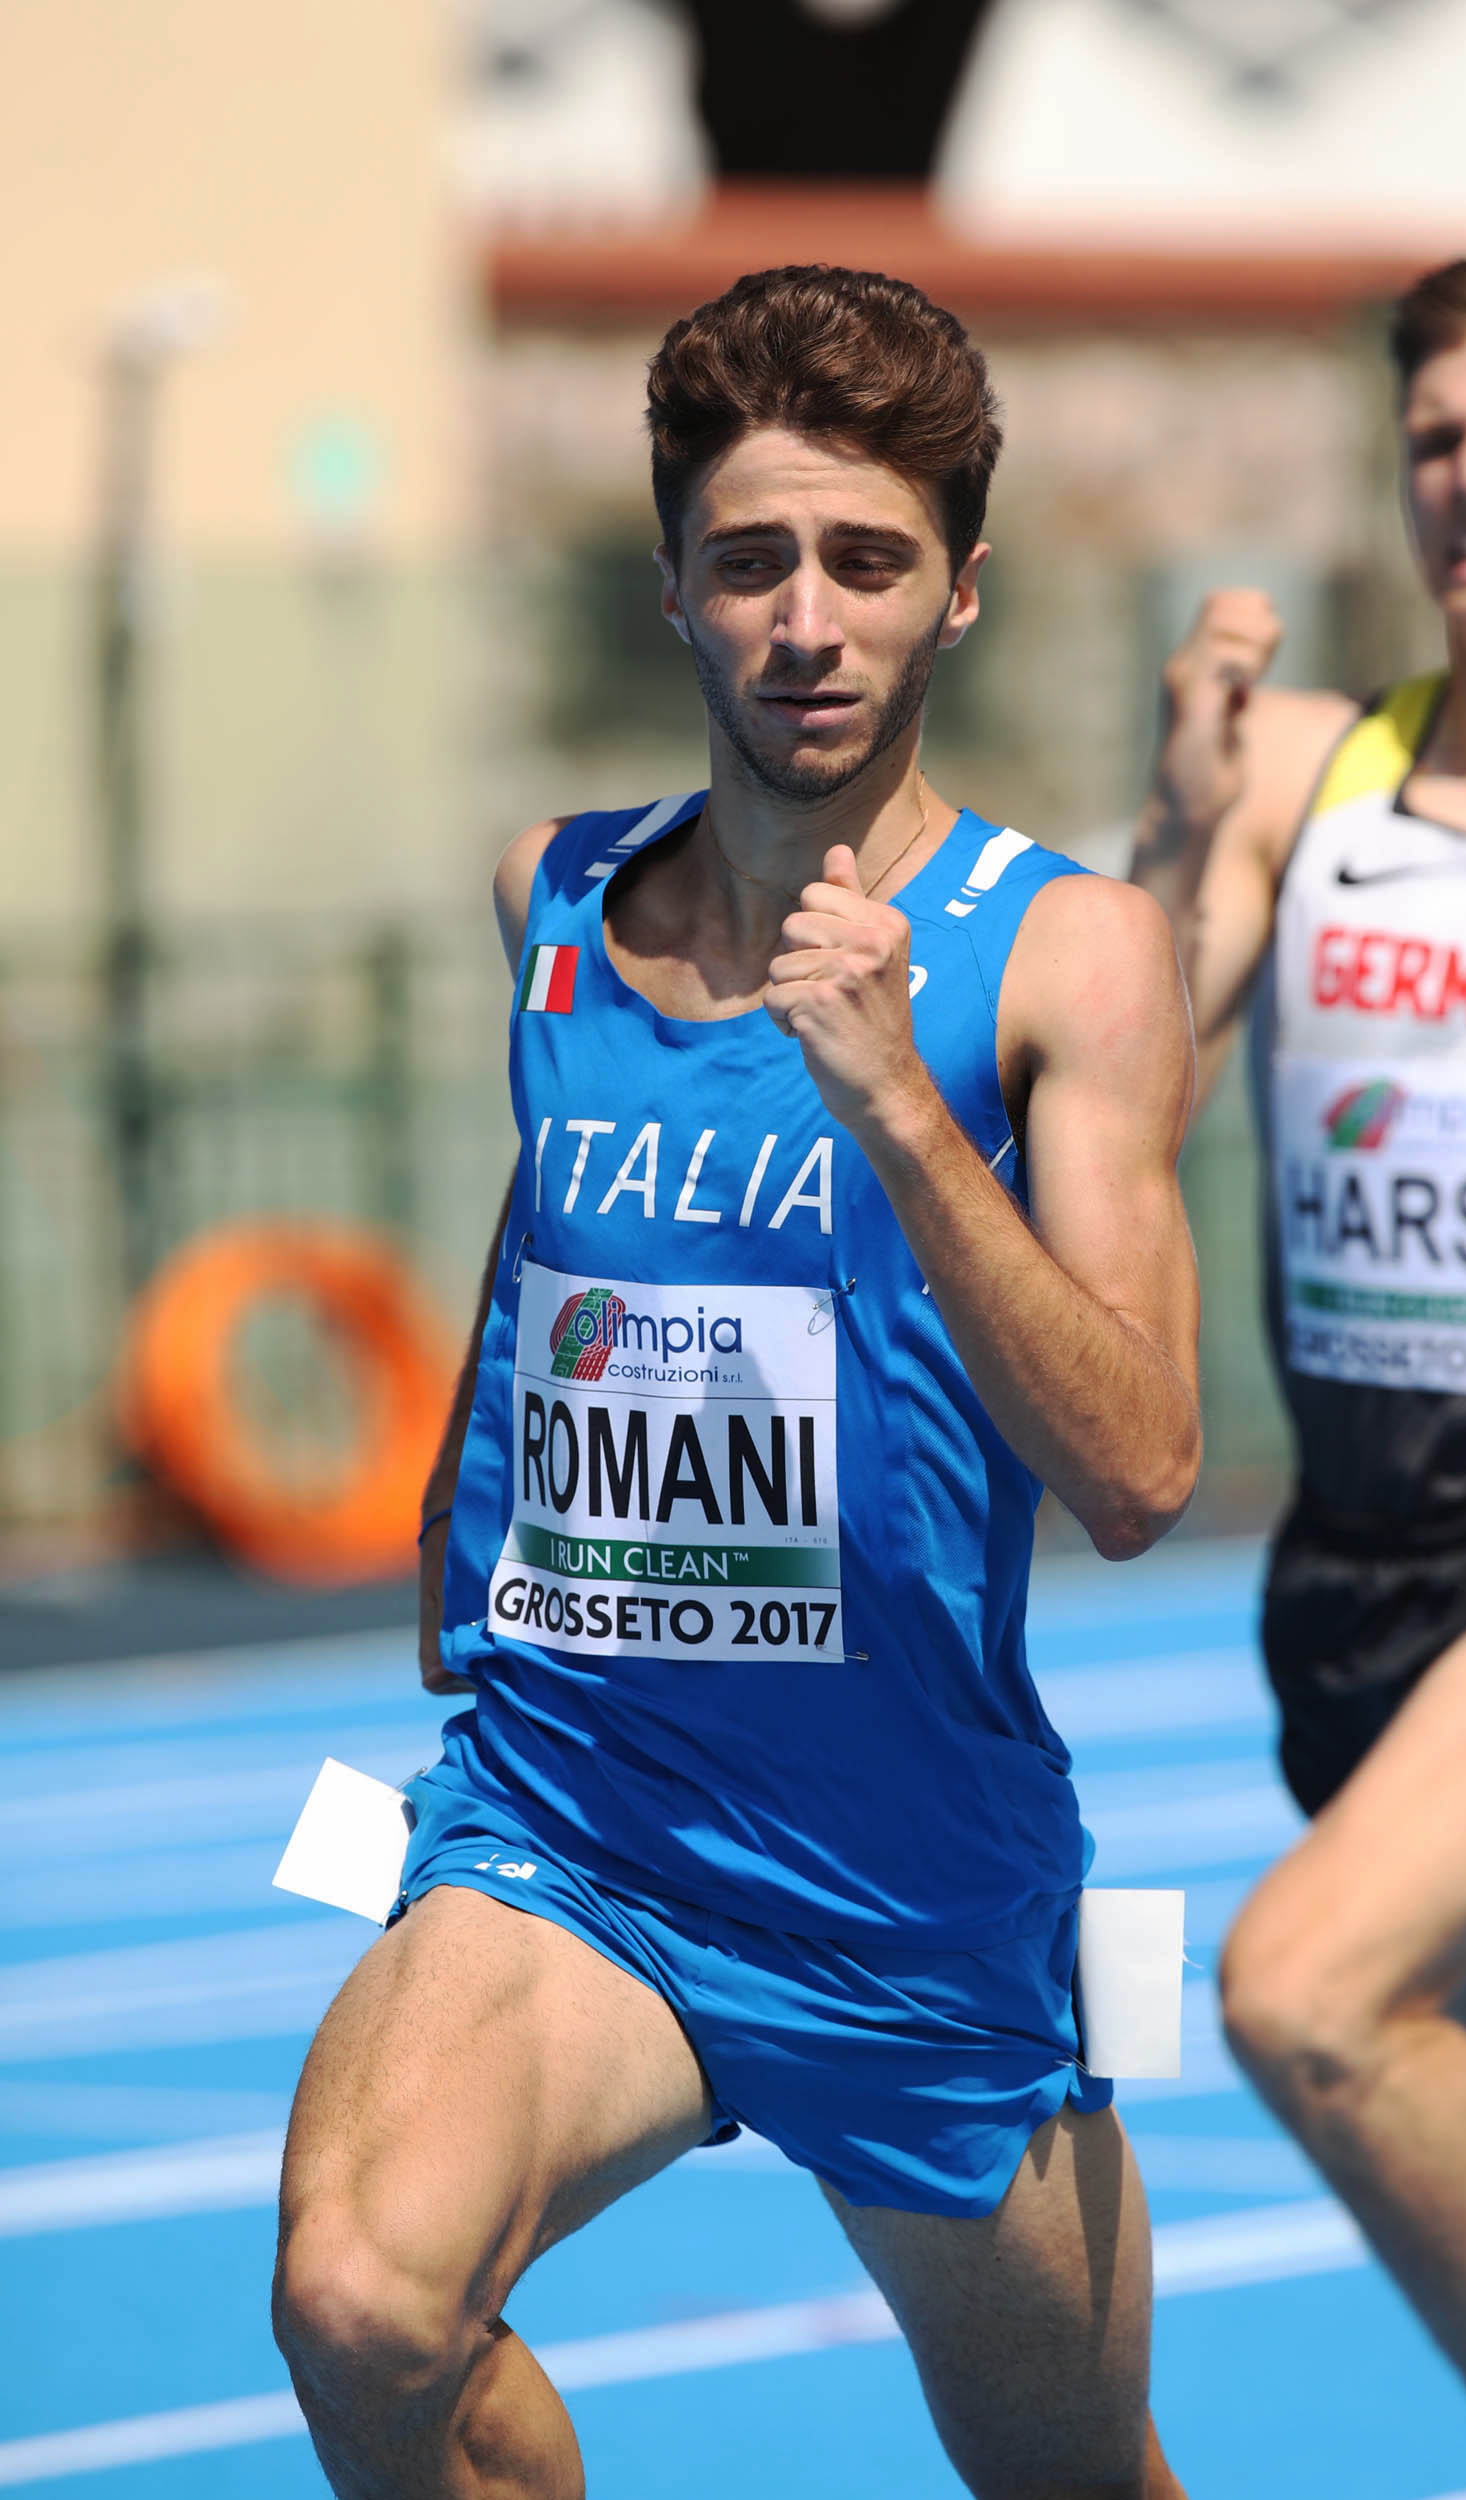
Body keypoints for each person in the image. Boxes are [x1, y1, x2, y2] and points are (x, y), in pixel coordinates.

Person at [272, 263, 1200, 2500]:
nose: (806, 620)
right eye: (752, 557)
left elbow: (1145, 1466)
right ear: (674, 584)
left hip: (909, 1889)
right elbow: (563, 1238)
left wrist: (899, 1108)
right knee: (363, 2302)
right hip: (575, 1820)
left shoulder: (1065, 950)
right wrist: (468, 1518)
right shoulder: (554, 896)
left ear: (957, 589)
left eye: (866, 560)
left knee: (1075, 2479)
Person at [1132, 249, 1466, 2500]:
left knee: (1312, 1990)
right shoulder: (1300, 768)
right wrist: (1175, 831)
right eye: (1440, 434)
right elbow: (1123, 1099)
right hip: (1366, 1569)